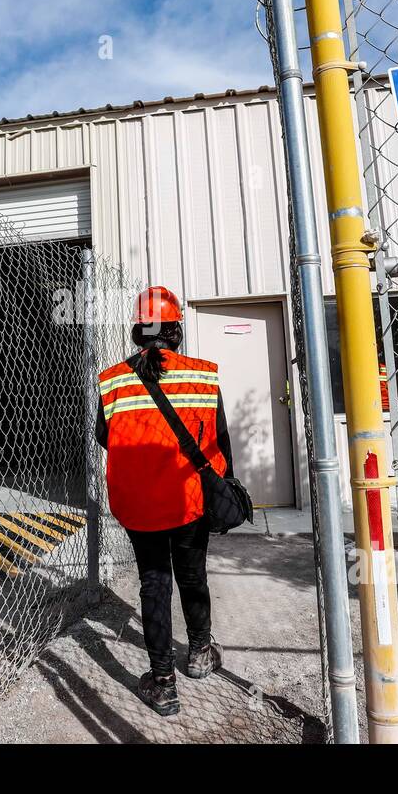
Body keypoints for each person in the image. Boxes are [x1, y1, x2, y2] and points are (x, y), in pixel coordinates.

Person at [95, 286, 234, 716]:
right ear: (175, 330)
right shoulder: (203, 375)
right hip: (189, 498)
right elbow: (221, 442)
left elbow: (104, 437)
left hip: (139, 504)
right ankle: (200, 653)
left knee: (153, 583)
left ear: (138, 332)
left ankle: (162, 683)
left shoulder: (112, 380)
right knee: (192, 575)